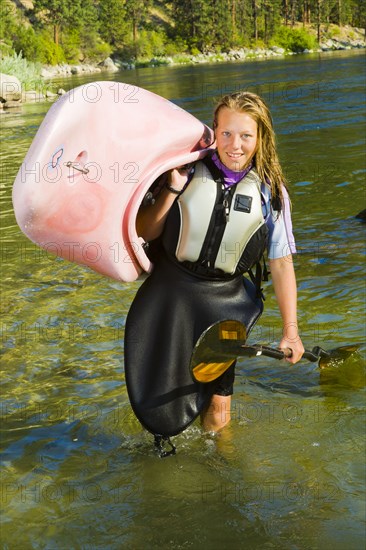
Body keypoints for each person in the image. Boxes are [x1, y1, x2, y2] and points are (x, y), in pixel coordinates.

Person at [126, 91, 304, 436]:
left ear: (260, 138)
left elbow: (281, 264)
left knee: (220, 407)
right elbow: (144, 230)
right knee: (159, 398)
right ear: (214, 131)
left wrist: (290, 331)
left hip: (224, 305)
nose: (235, 145)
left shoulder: (272, 194)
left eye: (246, 136)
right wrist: (172, 190)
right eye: (226, 133)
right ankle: (163, 459)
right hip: (170, 296)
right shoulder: (184, 170)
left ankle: (219, 470)